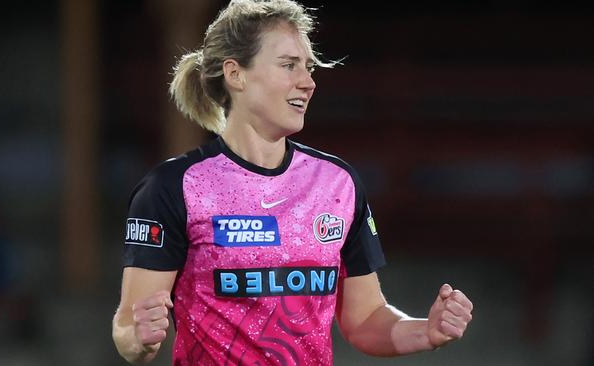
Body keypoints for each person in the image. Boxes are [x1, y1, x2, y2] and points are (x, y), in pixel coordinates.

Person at [112, 0, 474, 364]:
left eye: (308, 67)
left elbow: (364, 320)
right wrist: (140, 340)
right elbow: (129, 327)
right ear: (235, 74)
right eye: (288, 65)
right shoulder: (174, 187)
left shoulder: (338, 185)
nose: (308, 82)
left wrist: (426, 330)